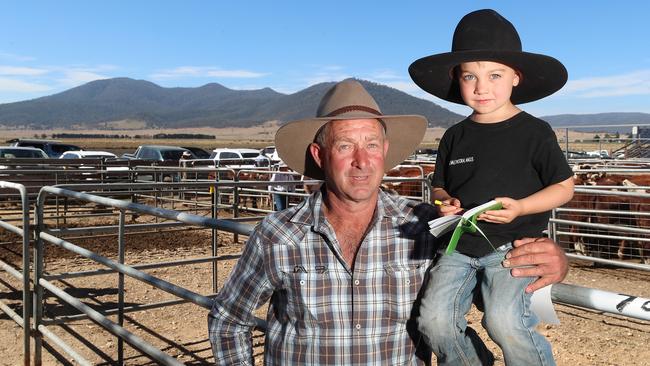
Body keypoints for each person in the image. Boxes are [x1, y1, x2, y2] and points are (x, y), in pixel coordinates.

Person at [208, 79, 569, 365]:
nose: (362, 161)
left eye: (372, 145)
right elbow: (228, 319)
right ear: (319, 156)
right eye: (345, 146)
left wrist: (554, 259)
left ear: (385, 152)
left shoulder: (426, 226)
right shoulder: (278, 235)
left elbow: (485, 271)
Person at [409, 9, 575, 366]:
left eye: (494, 75)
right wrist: (445, 202)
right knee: (433, 321)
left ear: (516, 77)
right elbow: (438, 188)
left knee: (505, 320)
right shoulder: (454, 136)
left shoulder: (534, 132)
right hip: (456, 246)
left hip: (512, 247)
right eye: (470, 76)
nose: (481, 87)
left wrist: (521, 207)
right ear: (457, 79)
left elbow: (563, 186)